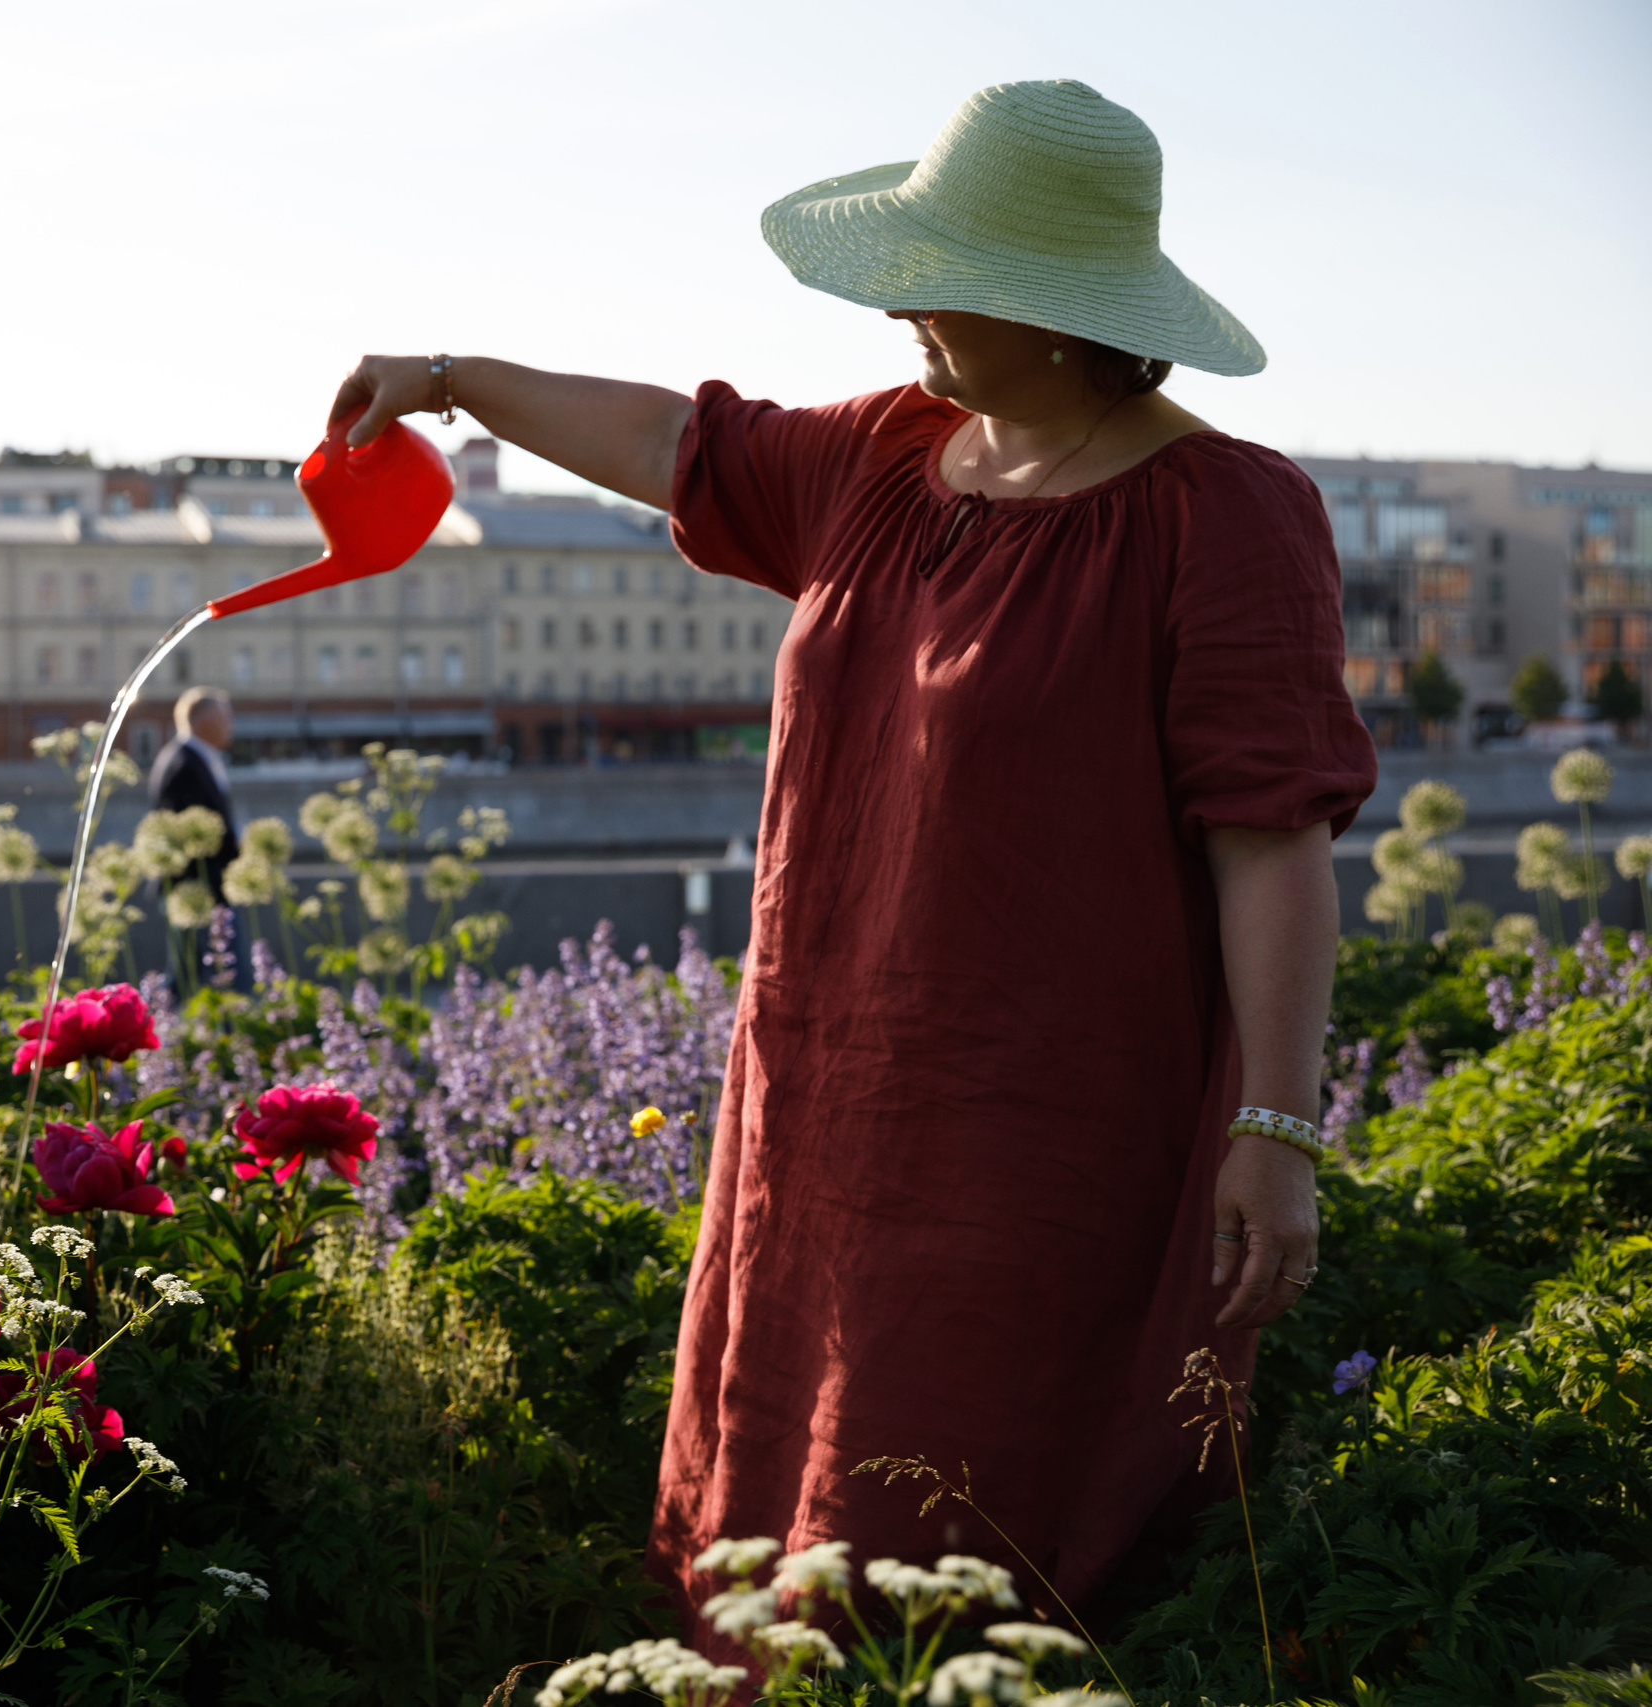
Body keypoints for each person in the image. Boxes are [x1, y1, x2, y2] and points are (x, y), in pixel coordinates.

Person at [327, 80, 1375, 1628]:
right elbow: (672, 436)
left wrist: (1276, 1128)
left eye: (936, 272)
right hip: (822, 1109)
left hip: (1048, 1141)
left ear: (1057, 304)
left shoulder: (1229, 514)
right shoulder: (883, 456)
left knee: (979, 1521)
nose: (897, 302)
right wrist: (448, 376)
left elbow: (1272, 840)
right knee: (788, 1487)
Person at [147, 686, 242, 901]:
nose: (231, 725)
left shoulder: (190, 757)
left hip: (203, 889)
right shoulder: (184, 765)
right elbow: (189, 832)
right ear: (206, 721)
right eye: (226, 717)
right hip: (196, 893)